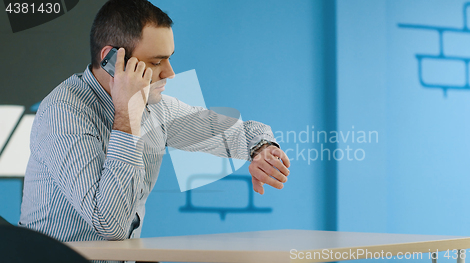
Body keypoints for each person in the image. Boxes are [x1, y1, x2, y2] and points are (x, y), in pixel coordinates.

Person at [18, 0, 290, 249]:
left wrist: (262, 148)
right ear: (112, 61)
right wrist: (127, 115)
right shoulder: (63, 112)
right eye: (157, 61)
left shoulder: (155, 106)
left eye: (169, 58)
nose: (170, 73)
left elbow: (239, 132)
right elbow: (110, 226)